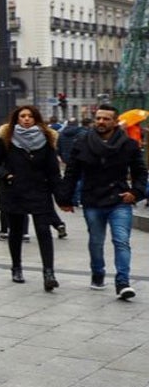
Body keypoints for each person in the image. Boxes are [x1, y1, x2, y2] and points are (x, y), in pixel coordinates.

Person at [57, 103, 148, 299]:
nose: (101, 121)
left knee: (121, 241)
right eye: (98, 118)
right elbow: (72, 173)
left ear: (115, 122)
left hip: (120, 200)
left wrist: (136, 192)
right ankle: (98, 273)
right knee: (96, 242)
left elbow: (141, 173)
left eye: (106, 119)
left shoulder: (128, 144)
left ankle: (122, 282)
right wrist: (65, 198)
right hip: (92, 200)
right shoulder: (82, 142)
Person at [0, 106, 62, 291]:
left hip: (39, 191)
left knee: (44, 232)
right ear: (17, 119)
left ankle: (49, 273)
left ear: (36, 119)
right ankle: (16, 267)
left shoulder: (46, 139)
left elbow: (53, 171)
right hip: (14, 190)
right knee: (16, 232)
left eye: (30, 116)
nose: (26, 119)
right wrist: (6, 175)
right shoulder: (6, 138)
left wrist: (61, 196)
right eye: (23, 116)